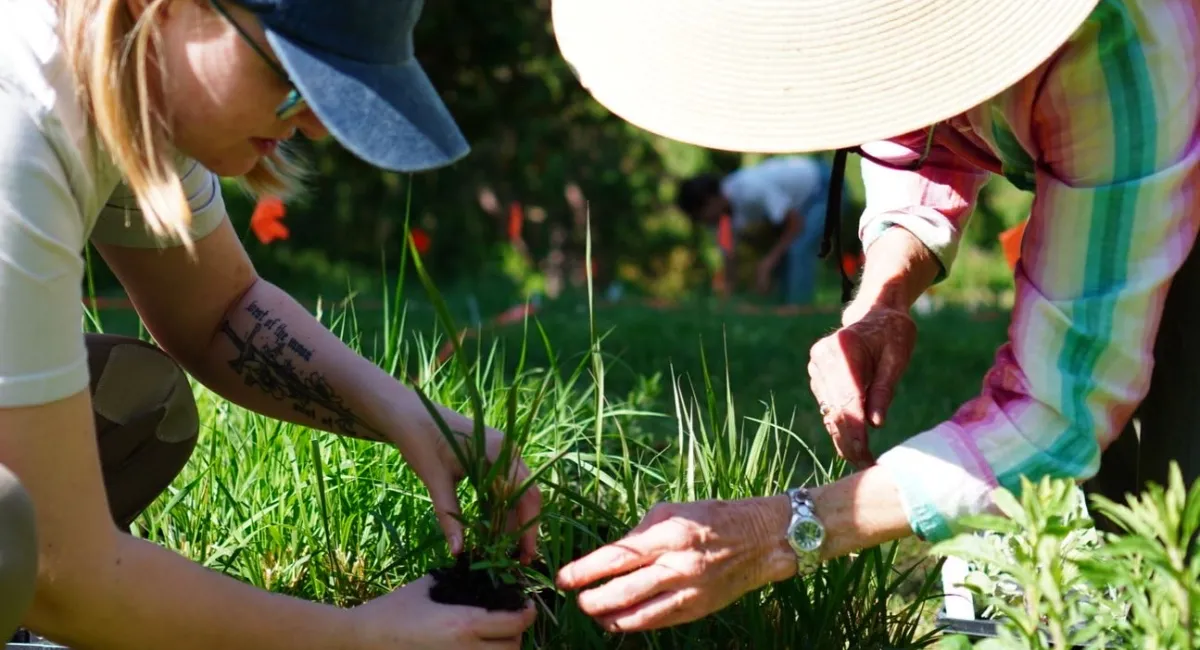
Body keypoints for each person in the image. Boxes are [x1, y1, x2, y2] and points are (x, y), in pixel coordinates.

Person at [550, 0, 1199, 633]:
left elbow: (1055, 413)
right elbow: (925, 145)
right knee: (1122, 499)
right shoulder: (915, 43)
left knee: (1178, 515)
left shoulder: (1119, 43)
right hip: (1135, 170)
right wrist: (878, 303)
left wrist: (779, 531)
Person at [0, 0, 540, 648]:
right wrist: (355, 637)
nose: (314, 123)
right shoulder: (22, 118)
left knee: (134, 397)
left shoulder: (132, 84)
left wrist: (409, 415)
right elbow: (59, 566)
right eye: (291, 75)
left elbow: (220, 313)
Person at [676, 156, 830, 304]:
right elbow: (729, 256)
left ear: (712, 200)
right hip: (803, 199)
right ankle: (784, 307)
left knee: (798, 248)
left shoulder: (749, 190)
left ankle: (799, 308)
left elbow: (795, 224)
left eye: (701, 216)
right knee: (782, 252)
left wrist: (767, 264)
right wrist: (726, 299)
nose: (703, 222)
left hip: (823, 184)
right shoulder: (722, 217)